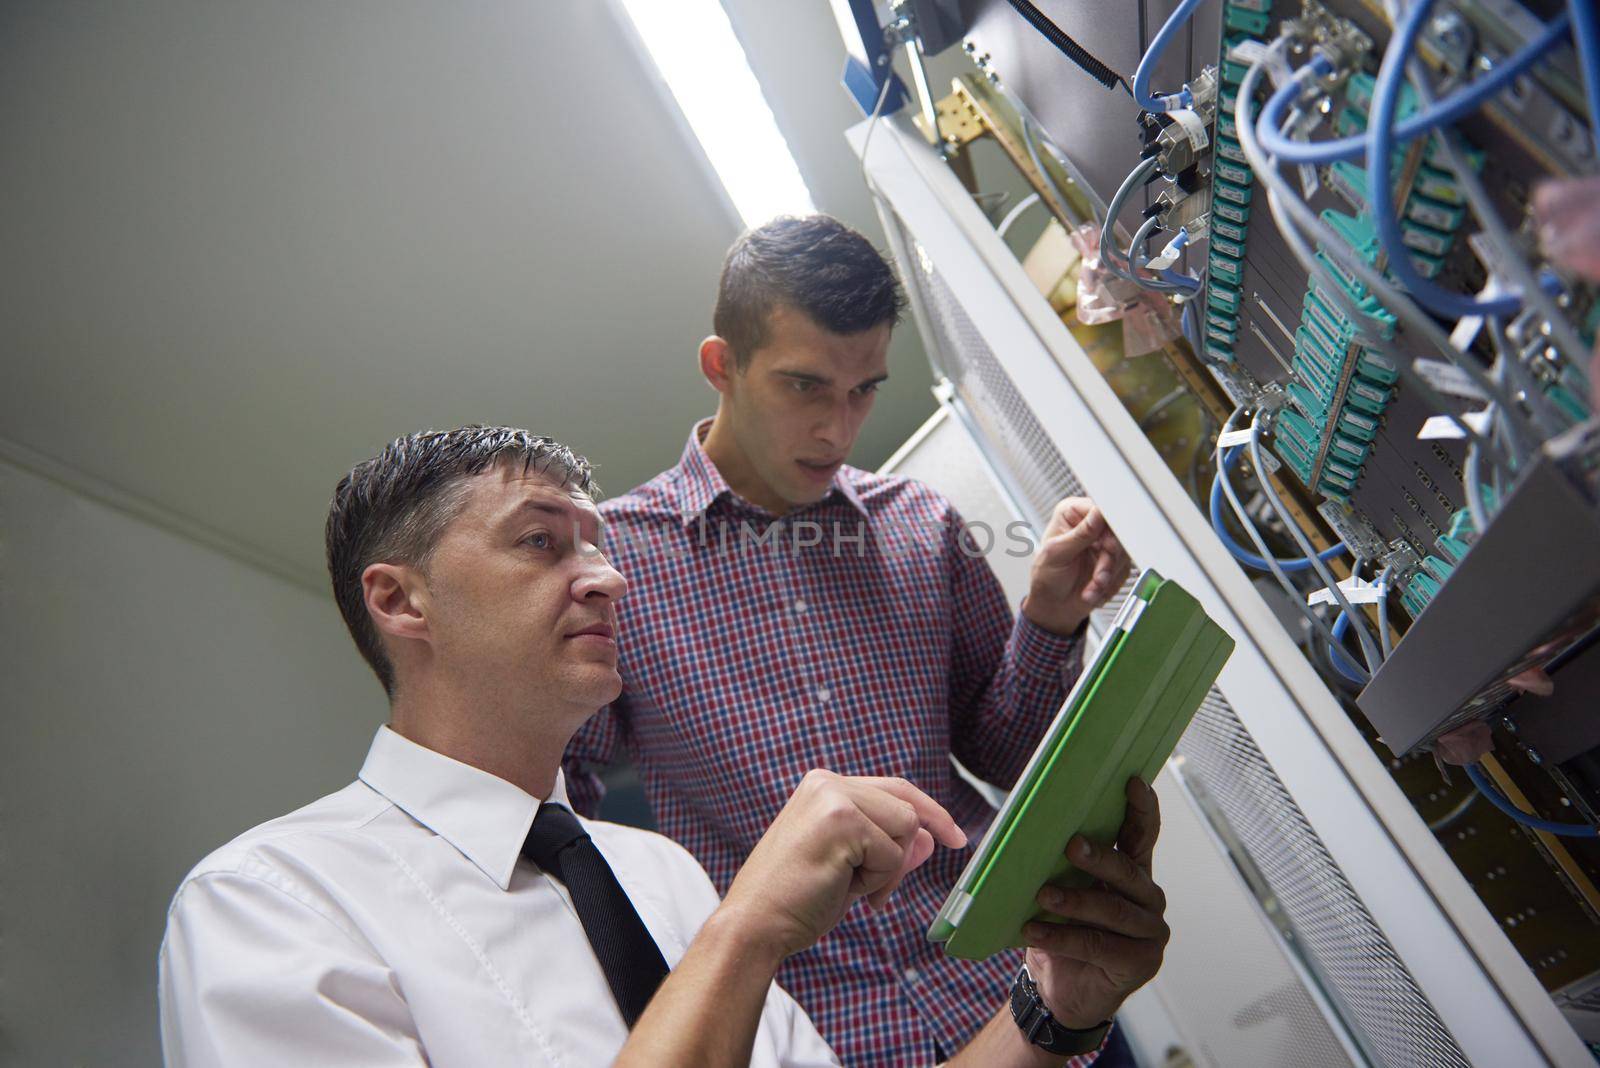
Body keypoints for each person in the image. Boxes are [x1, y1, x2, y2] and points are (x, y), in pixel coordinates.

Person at [158, 427, 1170, 1066]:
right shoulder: (273, 903)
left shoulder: (660, 876)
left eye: (597, 543)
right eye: (541, 541)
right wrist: (745, 937)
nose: (605, 577)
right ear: (400, 599)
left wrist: (1054, 1011)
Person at [561, 215, 1136, 1064]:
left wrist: (1050, 618)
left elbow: (1010, 757)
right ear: (723, 366)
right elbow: (563, 803)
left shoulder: (920, 525)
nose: (839, 428)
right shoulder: (615, 565)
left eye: (863, 388)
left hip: (1024, 998)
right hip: (820, 1038)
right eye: (805, 386)